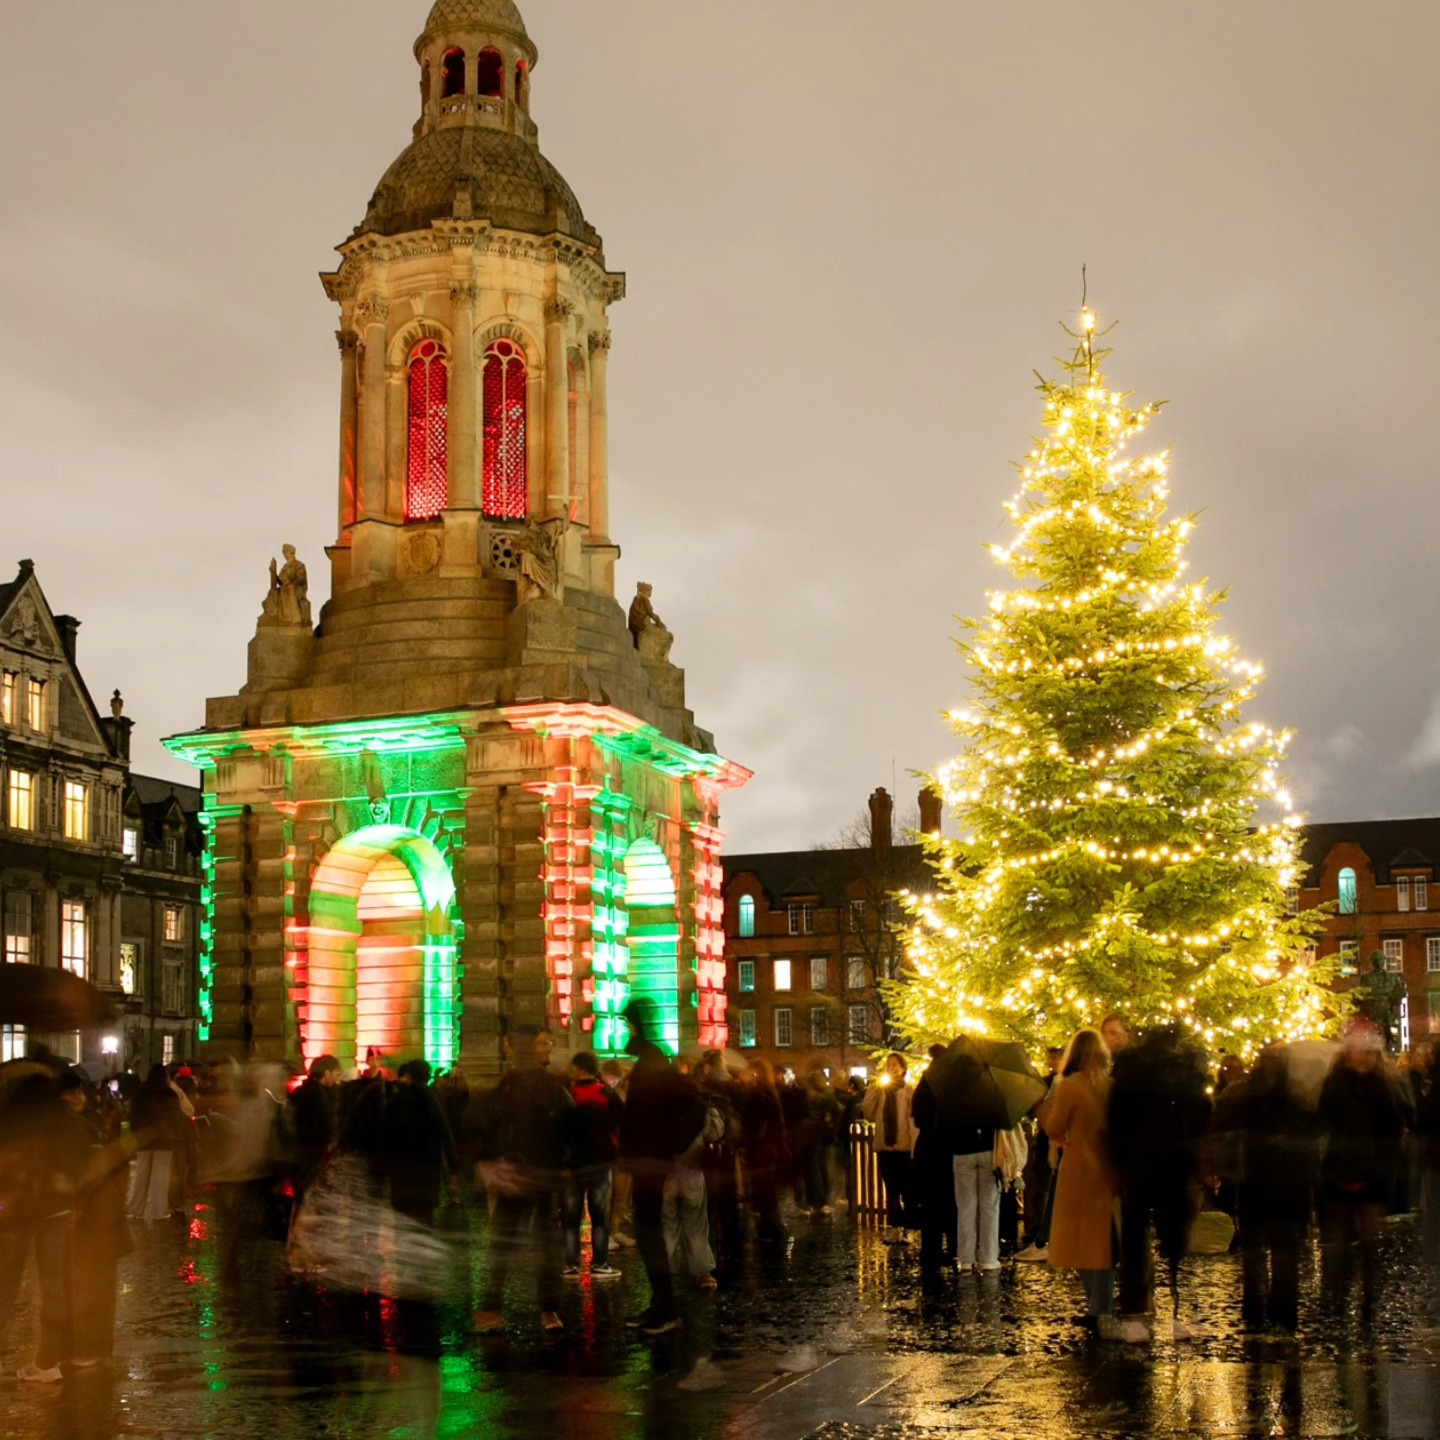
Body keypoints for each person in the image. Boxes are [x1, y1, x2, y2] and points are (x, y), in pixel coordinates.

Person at [1109, 1026, 1213, 1339]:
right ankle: (1179, 1309)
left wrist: (1118, 1161)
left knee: (1135, 1236)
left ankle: (1136, 1311)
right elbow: (1202, 1115)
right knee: (1175, 1240)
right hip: (1176, 1163)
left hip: (1138, 1163)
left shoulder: (1129, 1071)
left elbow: (1116, 1119)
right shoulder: (1185, 1072)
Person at [1210, 1046, 1317, 1334]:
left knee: (1255, 1251)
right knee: (1281, 1252)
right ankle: (1282, 1312)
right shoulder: (1297, 1098)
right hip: (1284, 1186)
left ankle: (1255, 1309)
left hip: (1256, 1184)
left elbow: (1219, 1129)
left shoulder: (1242, 1094)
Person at [474, 1027, 573, 1335]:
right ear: (527, 1048)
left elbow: (570, 1130)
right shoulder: (508, 1087)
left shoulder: (551, 1086)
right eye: (543, 1042)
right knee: (506, 1244)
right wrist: (491, 1162)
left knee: (540, 1245)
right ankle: (495, 1307)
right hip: (517, 1175)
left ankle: (546, 1308)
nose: (549, 1048)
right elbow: (487, 1128)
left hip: (539, 1175)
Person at [1043, 1029, 1140, 1341]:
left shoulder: (1070, 1087)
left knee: (1079, 1238)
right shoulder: (1112, 1087)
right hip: (1105, 1167)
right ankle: (1103, 1307)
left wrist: (1042, 1112)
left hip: (1077, 1168)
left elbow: (1055, 1127)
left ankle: (1096, 1307)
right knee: (1102, 1240)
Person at [618, 1005, 707, 1335]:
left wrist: (671, 1147)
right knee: (647, 1233)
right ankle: (660, 1304)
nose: (626, 1031)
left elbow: (696, 1106)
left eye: (629, 1025)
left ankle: (666, 1308)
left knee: (650, 1233)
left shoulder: (655, 1065)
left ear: (642, 1027)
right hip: (646, 1160)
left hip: (650, 1162)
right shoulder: (649, 1063)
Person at [1317, 1024, 1411, 1327]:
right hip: (1339, 1168)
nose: (1362, 1058)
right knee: (1339, 1239)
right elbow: (1323, 1120)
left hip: (1372, 1171)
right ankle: (1336, 1296)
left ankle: (1367, 1302)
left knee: (1370, 1243)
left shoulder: (1385, 1086)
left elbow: (1396, 1123)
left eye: (1367, 1053)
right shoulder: (1334, 1084)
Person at [562, 1052, 622, 1281]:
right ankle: (600, 1264)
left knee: (570, 1217)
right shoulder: (606, 1093)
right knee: (599, 1215)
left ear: (579, 1070)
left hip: (573, 1164)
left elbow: (559, 1128)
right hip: (600, 1162)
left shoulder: (568, 1093)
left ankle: (571, 1264)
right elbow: (619, 1120)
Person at [380, 1059, 458, 1226]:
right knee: (425, 1220)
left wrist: (383, 1166)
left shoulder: (397, 1100)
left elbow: (385, 1134)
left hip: (402, 1171)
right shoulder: (432, 1099)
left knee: (402, 1222)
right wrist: (453, 1164)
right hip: (427, 1169)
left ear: (409, 1075)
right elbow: (445, 1131)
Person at [911, 1044, 957, 1290]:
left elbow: (916, 1114)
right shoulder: (952, 1083)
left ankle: (930, 1250)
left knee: (931, 1204)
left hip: (928, 1147)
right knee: (950, 1202)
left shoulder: (926, 1080)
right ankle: (952, 1248)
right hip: (946, 1148)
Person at [126, 1063, 192, 1221]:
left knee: (141, 1174)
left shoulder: (140, 1092)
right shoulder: (169, 1093)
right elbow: (176, 1117)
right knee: (160, 1175)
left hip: (144, 1139)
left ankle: (135, 1209)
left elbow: (132, 1115)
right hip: (164, 1139)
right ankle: (158, 1211)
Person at [862, 1054, 916, 1242]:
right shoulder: (881, 1091)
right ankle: (895, 1228)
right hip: (886, 1149)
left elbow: (913, 1119)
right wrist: (873, 1090)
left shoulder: (909, 1090)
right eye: (888, 1065)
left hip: (905, 1149)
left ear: (903, 1068)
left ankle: (907, 1228)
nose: (891, 1067)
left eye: (895, 1064)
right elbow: (868, 1113)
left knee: (908, 1191)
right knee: (891, 1191)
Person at [1017, 1046, 1063, 1262]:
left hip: (1059, 1142)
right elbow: (1032, 1108)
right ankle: (1038, 1230)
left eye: (1055, 1058)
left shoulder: (1063, 1083)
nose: (1051, 1062)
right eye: (1050, 1058)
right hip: (1047, 1141)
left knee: (1052, 1189)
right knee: (1042, 1187)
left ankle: (1045, 1236)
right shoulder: (1045, 1082)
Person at [736, 1061, 789, 1245]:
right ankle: (772, 1230)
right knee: (766, 1192)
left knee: (764, 1192)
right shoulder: (769, 1095)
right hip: (768, 1149)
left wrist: (746, 1143)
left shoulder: (758, 1097)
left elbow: (754, 1125)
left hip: (761, 1150)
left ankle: (772, 1231)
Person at [287, 1054, 341, 1199]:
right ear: (327, 1073)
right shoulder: (318, 1096)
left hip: (298, 1157)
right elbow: (323, 1127)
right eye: (336, 1074)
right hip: (312, 1158)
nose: (337, 1079)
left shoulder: (299, 1092)